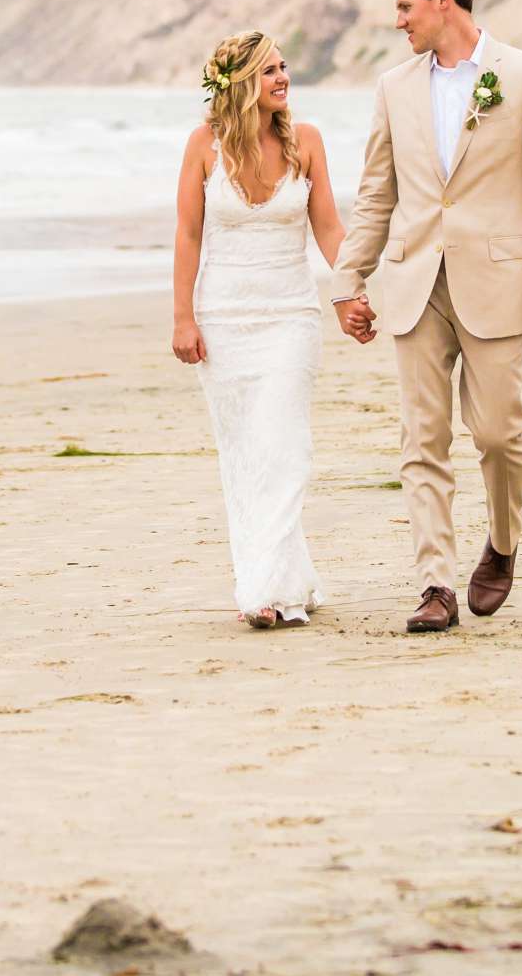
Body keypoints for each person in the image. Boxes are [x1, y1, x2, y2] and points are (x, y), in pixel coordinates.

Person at [330, 0, 522, 634]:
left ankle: (502, 543)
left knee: (500, 433)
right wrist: (347, 279)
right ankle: (437, 583)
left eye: (406, 6)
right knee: (422, 438)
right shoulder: (393, 87)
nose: (399, 22)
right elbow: (376, 192)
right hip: (414, 282)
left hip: (498, 280)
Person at [170, 31, 348, 629]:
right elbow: (189, 236)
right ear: (241, 82)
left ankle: (261, 591)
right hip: (223, 320)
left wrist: (352, 288)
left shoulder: (308, 143)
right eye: (268, 69)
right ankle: (283, 582)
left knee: (285, 446)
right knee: (247, 454)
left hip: (291, 316)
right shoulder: (202, 146)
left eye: (283, 66)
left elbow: (328, 229)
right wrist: (182, 316)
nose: (282, 77)